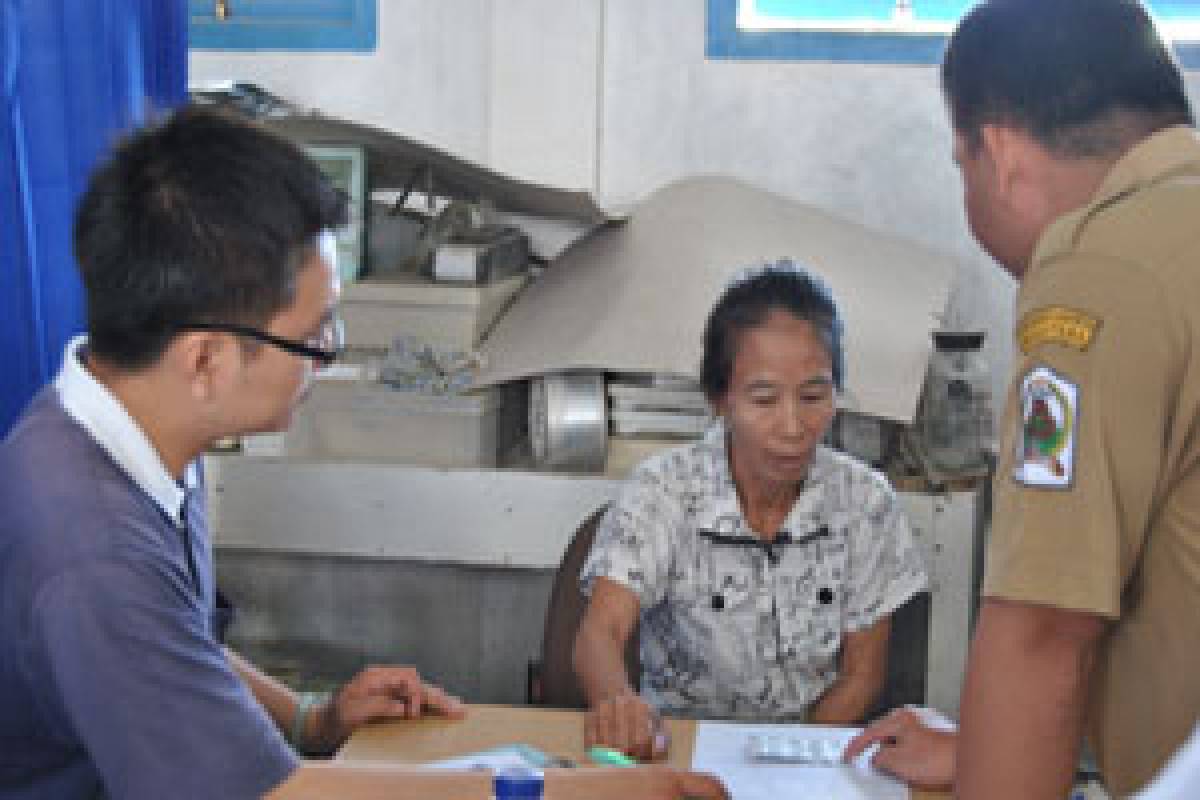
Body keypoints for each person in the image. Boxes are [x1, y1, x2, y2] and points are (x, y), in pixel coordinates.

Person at [0, 106, 727, 800]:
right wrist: (556, 792)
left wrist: (309, 717)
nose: (329, 355)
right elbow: (265, 793)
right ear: (206, 362)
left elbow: (167, 651)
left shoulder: (128, 428)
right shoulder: (88, 544)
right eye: (314, 337)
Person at [844, 0, 1200, 796]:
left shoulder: (1100, 273)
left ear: (999, 153)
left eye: (961, 163)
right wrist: (984, 751)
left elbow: (1045, 631)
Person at [574, 261, 929, 760]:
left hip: (811, 757)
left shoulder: (865, 502)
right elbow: (601, 632)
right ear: (720, 399)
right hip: (675, 751)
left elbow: (862, 678)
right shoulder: (664, 491)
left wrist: (784, 758)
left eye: (813, 396)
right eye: (764, 398)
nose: (792, 425)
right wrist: (618, 706)